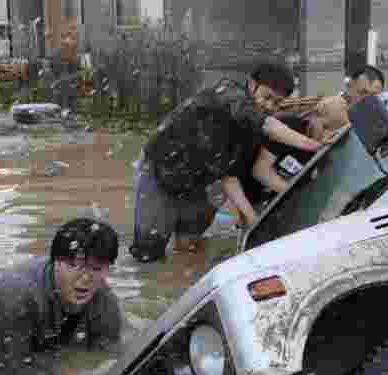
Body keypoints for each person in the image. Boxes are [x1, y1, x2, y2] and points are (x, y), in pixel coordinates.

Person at [130, 62, 330, 261]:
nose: (270, 106)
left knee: (188, 247)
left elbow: (229, 176)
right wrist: (312, 145)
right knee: (148, 254)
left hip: (198, 183)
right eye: (267, 97)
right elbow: (266, 124)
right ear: (252, 85)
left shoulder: (250, 131)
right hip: (159, 171)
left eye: (277, 103)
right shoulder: (228, 94)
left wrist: (252, 219)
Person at [0, 218, 124, 375]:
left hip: (42, 329)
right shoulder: (16, 294)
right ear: (55, 262)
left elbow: (111, 354)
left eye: (96, 268)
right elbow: (16, 372)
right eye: (74, 266)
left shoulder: (104, 300)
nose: (85, 279)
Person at [249, 95, 351, 199]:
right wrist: (301, 197)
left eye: (332, 132)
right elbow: (260, 171)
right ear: (313, 116)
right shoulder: (288, 126)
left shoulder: (327, 149)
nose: (325, 135)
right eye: (324, 127)